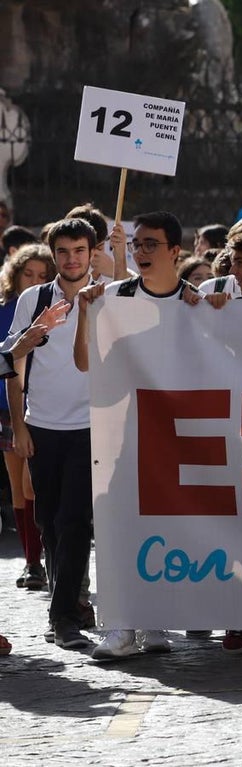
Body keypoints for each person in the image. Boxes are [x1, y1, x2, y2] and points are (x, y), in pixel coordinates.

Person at [74, 211, 197, 659]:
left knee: (171, 527)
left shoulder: (197, 301)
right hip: (127, 433)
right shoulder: (114, 297)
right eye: (136, 244)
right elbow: (86, 364)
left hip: (183, 436)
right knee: (120, 525)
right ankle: (122, 626)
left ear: (175, 251)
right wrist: (86, 315)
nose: (141, 252)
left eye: (151, 244)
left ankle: (156, 620)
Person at [6, 217, 106, 649]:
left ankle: (63, 615)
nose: (71, 259)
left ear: (92, 252)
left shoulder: (107, 295)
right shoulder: (34, 299)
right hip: (42, 427)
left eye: (79, 250)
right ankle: (65, 607)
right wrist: (19, 426)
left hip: (91, 427)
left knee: (76, 521)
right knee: (48, 522)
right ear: (53, 255)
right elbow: (12, 363)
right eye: (63, 251)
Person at [0, 244, 55, 592]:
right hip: (6, 406)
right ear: (15, 275)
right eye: (28, 273)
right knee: (18, 487)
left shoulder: (56, 309)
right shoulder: (4, 309)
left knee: (31, 484)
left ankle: (41, 558)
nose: (33, 281)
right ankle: (32, 562)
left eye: (41, 275)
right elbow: (6, 358)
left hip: (41, 406)